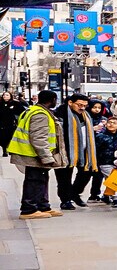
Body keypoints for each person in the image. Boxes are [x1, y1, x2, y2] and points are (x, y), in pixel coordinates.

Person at [7, 90, 59, 219]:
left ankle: (42, 206)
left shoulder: (34, 110)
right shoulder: (40, 115)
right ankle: (29, 209)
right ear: (52, 100)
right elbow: (38, 138)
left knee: (41, 179)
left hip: (33, 153)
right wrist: (46, 157)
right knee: (34, 180)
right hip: (33, 154)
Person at [54, 93, 98, 211]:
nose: (82, 108)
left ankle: (74, 193)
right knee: (64, 177)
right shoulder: (60, 114)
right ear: (70, 103)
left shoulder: (85, 115)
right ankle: (65, 200)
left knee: (87, 172)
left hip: (83, 150)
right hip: (66, 150)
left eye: (85, 105)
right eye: (79, 105)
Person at [91, 113, 117, 204]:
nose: (111, 124)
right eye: (109, 122)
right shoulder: (100, 136)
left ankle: (106, 195)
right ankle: (115, 197)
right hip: (104, 161)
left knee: (112, 178)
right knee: (112, 178)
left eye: (114, 123)